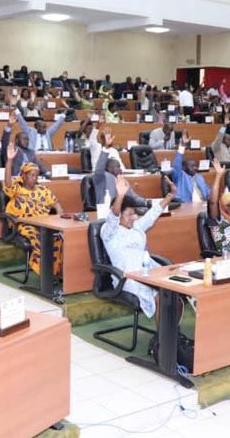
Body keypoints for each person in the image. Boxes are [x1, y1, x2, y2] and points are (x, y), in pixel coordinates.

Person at [100, 174, 177, 320]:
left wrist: (170, 195)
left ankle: (172, 336)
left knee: (171, 293)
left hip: (146, 272)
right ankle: (164, 340)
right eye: (129, 215)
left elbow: (152, 214)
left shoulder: (135, 227)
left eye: (134, 214)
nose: (133, 218)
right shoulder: (109, 231)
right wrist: (120, 196)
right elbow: (113, 216)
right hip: (127, 278)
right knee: (160, 298)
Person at [3, 144, 64, 276]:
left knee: (58, 237)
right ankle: (43, 271)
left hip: (43, 224)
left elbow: (57, 204)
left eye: (36, 176)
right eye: (31, 175)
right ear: (23, 176)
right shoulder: (17, 189)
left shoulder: (42, 190)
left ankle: (54, 270)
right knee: (37, 237)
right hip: (23, 224)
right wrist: (10, 161)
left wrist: (60, 218)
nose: (34, 178)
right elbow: (8, 183)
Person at [92, 129, 149, 206]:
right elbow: (99, 169)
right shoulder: (102, 177)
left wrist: (147, 202)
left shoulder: (122, 180)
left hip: (121, 212)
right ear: (109, 168)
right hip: (105, 213)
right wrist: (106, 148)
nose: (120, 169)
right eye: (117, 167)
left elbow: (134, 198)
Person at [172, 132, 210, 203]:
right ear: (184, 167)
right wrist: (182, 146)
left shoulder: (199, 177)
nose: (195, 168)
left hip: (203, 205)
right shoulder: (180, 176)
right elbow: (176, 165)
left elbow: (207, 190)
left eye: (195, 165)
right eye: (192, 166)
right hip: (187, 207)